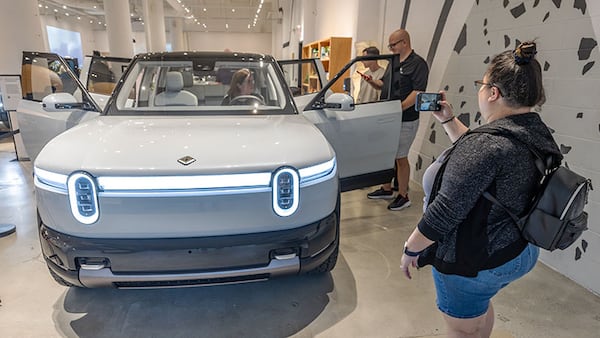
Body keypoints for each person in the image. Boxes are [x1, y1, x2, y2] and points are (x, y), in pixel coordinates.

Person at [400, 41, 561, 338]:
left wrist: (412, 248)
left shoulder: (487, 146)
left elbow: (446, 211)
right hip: (518, 248)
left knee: (463, 329)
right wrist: (448, 121)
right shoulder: (532, 130)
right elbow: (484, 160)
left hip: (478, 259)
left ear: (493, 93)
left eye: (482, 84)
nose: (481, 91)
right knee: (477, 312)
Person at [366, 29, 429, 211]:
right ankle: (387, 188)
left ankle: (403, 195)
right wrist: (371, 81)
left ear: (404, 43)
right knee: (387, 154)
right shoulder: (393, 63)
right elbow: (384, 85)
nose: (391, 48)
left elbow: (418, 92)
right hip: (390, 118)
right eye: (390, 45)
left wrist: (397, 109)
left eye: (393, 45)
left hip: (405, 119)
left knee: (401, 157)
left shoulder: (418, 64)